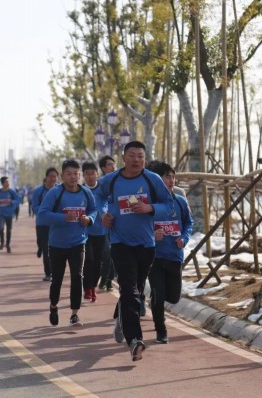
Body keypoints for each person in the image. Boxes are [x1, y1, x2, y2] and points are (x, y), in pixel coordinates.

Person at [97, 141, 175, 361]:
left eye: (141, 156)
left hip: (146, 245)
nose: (137, 160)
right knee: (129, 289)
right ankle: (135, 340)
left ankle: (122, 320)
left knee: (136, 292)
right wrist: (103, 214)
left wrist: (150, 208)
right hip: (120, 243)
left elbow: (169, 205)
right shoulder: (111, 180)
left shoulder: (153, 180)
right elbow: (98, 197)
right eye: (132, 155)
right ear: (123, 158)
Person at [38, 159, 97, 327]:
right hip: (57, 244)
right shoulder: (55, 193)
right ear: (62, 176)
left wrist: (89, 219)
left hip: (78, 242)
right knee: (57, 279)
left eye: (76, 174)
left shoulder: (86, 192)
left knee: (77, 276)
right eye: (69, 174)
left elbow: (93, 210)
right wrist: (63, 217)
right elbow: (42, 214)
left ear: (79, 175)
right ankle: (53, 305)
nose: (72, 177)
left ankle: (74, 313)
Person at [146, 161, 193, 344]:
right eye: (167, 177)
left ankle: (155, 299)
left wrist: (184, 239)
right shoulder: (149, 204)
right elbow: (139, 225)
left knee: (173, 297)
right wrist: (152, 235)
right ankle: (161, 330)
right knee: (158, 295)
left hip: (175, 256)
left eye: (173, 176)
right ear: (157, 181)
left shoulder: (180, 201)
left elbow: (188, 223)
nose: (172, 180)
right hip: (154, 257)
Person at [82, 161, 107, 303]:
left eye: (92, 173)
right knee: (88, 260)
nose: (90, 176)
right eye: (87, 174)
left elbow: (109, 204)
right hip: (85, 232)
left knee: (98, 262)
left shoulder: (103, 190)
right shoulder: (80, 190)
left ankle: (93, 286)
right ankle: (87, 288)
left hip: (101, 231)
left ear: (97, 174)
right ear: (83, 175)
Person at [32, 168, 59, 281]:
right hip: (42, 225)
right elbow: (34, 207)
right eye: (50, 176)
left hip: (56, 225)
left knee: (54, 249)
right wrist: (46, 212)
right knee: (45, 248)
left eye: (54, 176)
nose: (52, 179)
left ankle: (53, 273)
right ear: (46, 178)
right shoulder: (38, 191)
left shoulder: (60, 190)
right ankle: (48, 273)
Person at [98, 155, 117, 291]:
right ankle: (105, 277)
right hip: (104, 225)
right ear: (103, 168)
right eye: (109, 164)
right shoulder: (101, 183)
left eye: (114, 164)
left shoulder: (121, 180)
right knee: (106, 254)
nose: (113, 166)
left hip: (119, 223)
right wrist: (103, 214)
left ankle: (109, 280)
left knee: (114, 253)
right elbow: (98, 201)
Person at [0, 177, 20, 253]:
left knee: (9, 230)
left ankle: (8, 245)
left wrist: (12, 202)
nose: (8, 183)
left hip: (9, 214)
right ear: (2, 183)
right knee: (1, 228)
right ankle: (2, 242)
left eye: (8, 182)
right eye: (6, 182)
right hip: (1, 214)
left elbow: (18, 200)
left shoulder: (11, 192)